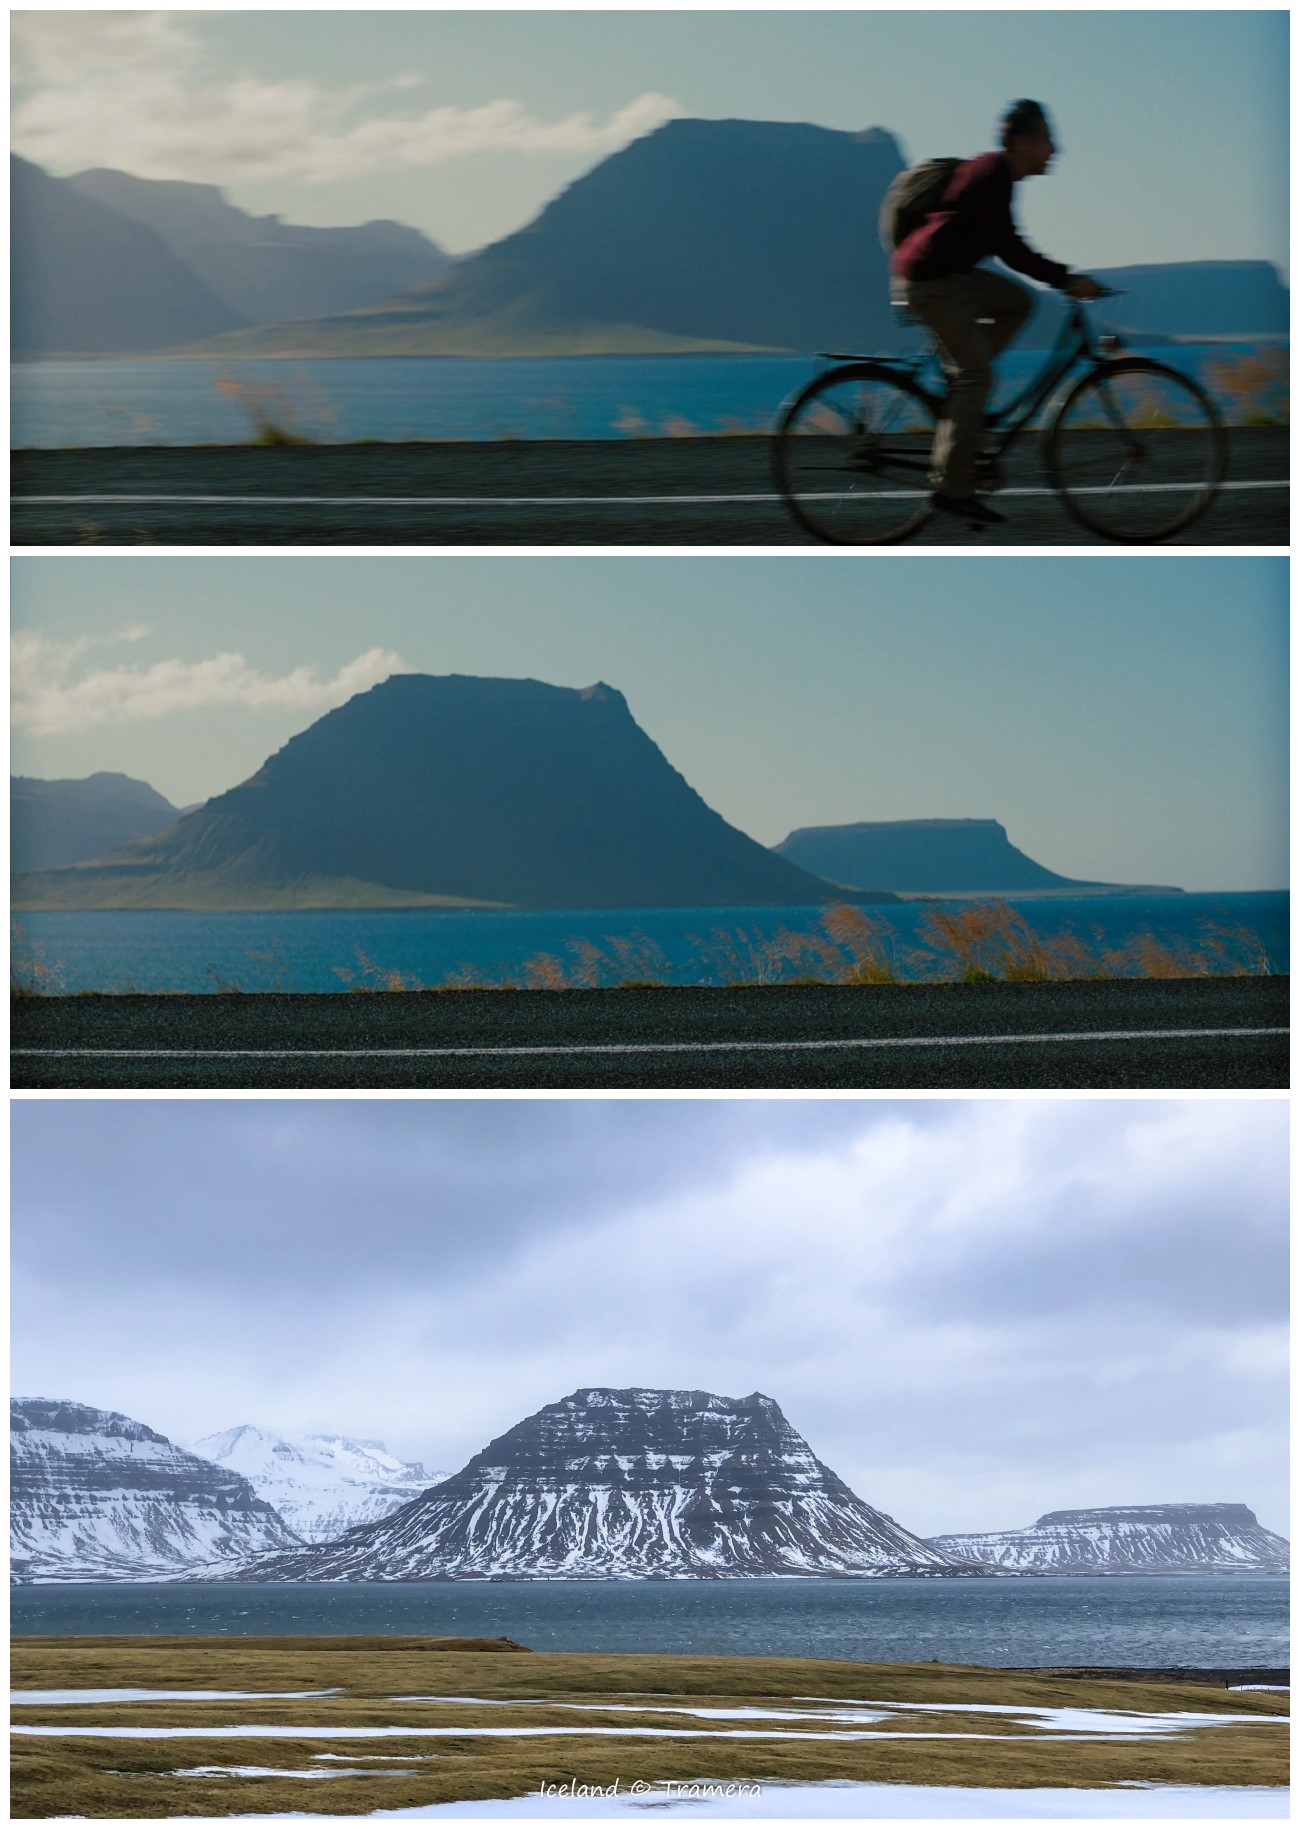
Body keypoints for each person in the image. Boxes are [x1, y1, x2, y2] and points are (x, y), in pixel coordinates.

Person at [892, 99, 1105, 525]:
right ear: (1023, 141)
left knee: (1019, 302)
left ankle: (964, 400)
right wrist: (1064, 278)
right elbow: (1009, 248)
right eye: (1046, 139)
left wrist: (1057, 278)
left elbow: (1007, 247)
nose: (1054, 149)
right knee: (978, 378)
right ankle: (951, 492)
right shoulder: (993, 175)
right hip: (931, 281)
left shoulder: (995, 174)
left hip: (948, 275)